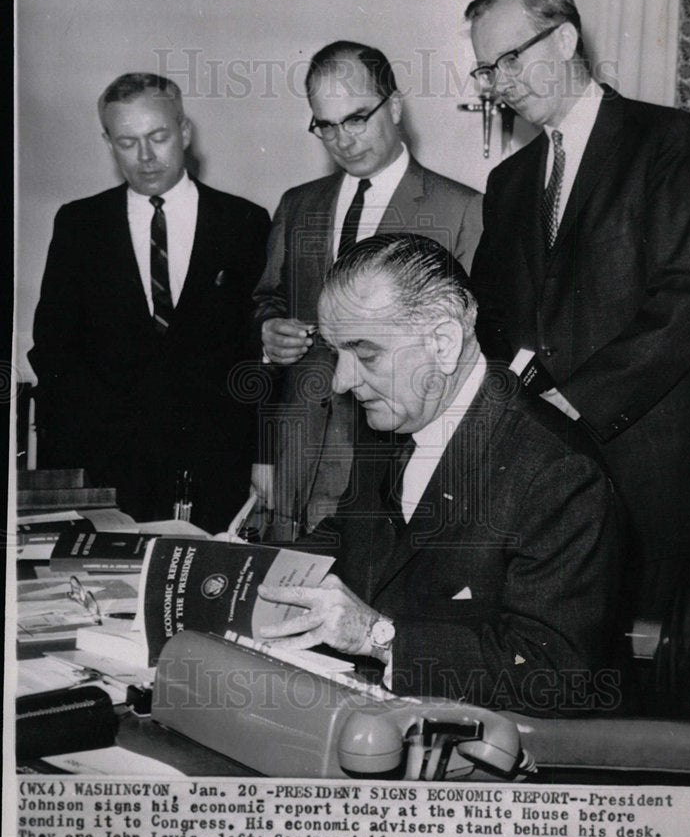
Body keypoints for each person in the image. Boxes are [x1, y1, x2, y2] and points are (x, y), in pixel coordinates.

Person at [258, 234, 622, 714]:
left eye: (365, 355)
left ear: (444, 343)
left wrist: (377, 637)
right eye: (335, 353)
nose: (342, 382)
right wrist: (241, 568)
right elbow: (351, 537)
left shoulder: (559, 473)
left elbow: (554, 673)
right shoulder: (393, 415)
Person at [464, 0, 690, 622]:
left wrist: (574, 402)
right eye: (486, 69)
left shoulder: (665, 141)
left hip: (645, 474)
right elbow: (491, 320)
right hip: (541, 484)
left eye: (510, 58)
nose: (499, 82)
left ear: (566, 38)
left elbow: (688, 294)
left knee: (641, 698)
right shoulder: (507, 181)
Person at [251, 41, 483, 538]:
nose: (343, 139)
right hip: (296, 463)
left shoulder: (462, 210)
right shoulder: (298, 205)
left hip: (392, 461)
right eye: (326, 125)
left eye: (357, 118)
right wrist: (268, 330)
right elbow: (268, 298)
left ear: (394, 106)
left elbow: (465, 350)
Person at [29, 73, 271, 532]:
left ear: (184, 131)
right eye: (127, 142)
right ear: (108, 142)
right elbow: (53, 348)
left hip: (216, 472)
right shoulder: (80, 225)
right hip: (109, 474)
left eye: (158, 137)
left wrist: (262, 457)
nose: (145, 157)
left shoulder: (244, 222)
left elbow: (257, 356)